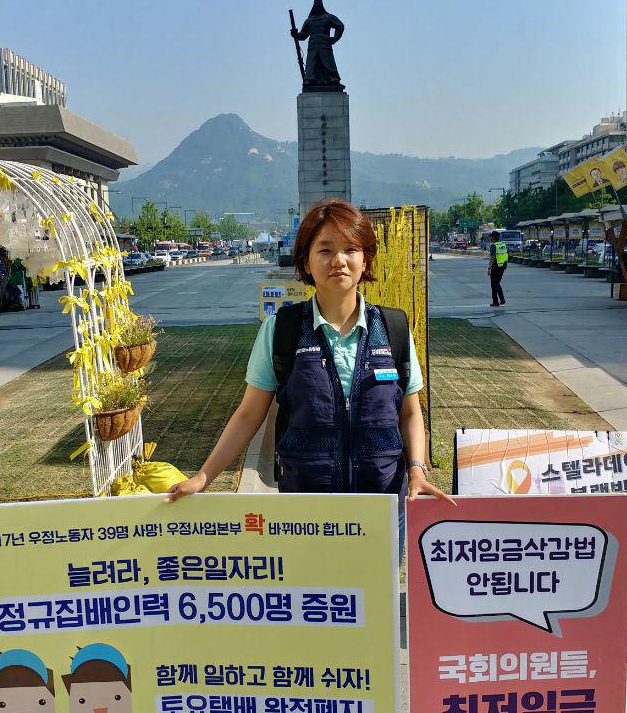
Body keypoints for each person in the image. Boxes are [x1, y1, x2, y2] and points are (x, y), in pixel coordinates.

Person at [166, 198, 452, 508]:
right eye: (325, 250)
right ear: (305, 262)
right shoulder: (282, 330)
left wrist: (417, 471)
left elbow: (409, 411)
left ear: (365, 260)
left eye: (351, 249)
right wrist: (203, 476)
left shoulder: (393, 327)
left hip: (381, 506)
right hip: (306, 510)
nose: (339, 260)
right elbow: (249, 414)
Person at [488, 231, 508, 306]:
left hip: (495, 267)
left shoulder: (494, 246)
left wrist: (489, 268)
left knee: (494, 285)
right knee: (497, 283)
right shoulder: (503, 244)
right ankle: (502, 300)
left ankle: (495, 302)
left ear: (493, 237)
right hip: (502, 266)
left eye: (491, 236)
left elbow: (492, 257)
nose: (490, 238)